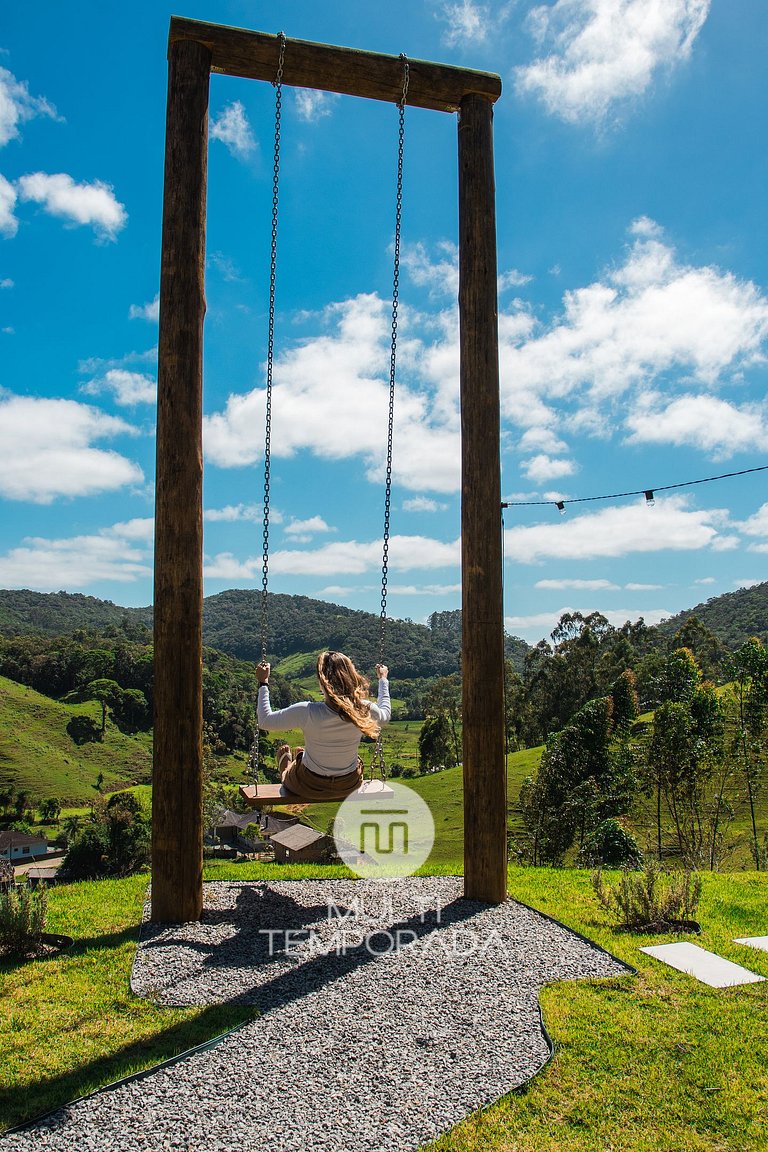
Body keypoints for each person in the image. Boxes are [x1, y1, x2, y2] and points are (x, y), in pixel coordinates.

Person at [254, 650, 391, 801]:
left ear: (321, 682)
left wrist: (263, 682)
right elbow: (385, 714)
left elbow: (265, 720)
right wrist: (383, 679)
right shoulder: (364, 709)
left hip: (309, 785)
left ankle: (286, 766)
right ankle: (300, 756)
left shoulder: (307, 711)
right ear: (352, 677)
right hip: (348, 785)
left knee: (292, 770)